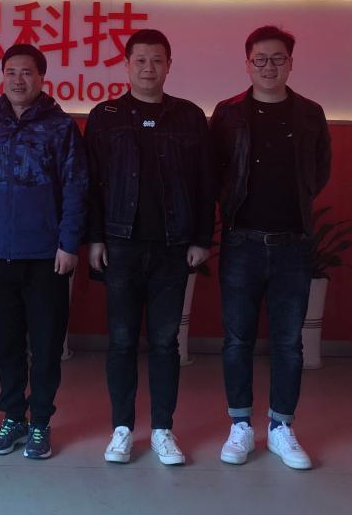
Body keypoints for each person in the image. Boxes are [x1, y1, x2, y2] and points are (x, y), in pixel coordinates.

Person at [85, 29, 213, 466]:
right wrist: (95, 237)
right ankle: (122, 428)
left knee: (164, 342)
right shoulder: (105, 116)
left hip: (173, 248)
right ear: (126, 65)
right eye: (140, 60)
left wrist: (201, 238)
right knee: (121, 341)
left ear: (169, 65)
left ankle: (162, 429)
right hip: (120, 246)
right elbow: (91, 183)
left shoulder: (189, 116)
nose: (148, 68)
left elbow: (205, 183)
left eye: (157, 60)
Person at [210, 25, 331, 471]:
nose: (268, 66)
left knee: (288, 342)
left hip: (292, 245)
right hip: (241, 241)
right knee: (237, 340)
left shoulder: (310, 113)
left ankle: (281, 427)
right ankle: (240, 425)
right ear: (247, 64)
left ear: (291, 63)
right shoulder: (228, 113)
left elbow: (320, 171)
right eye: (260, 59)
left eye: (278, 58)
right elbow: (214, 172)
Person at [0, 43, 88, 460]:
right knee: (3, 345)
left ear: (42, 78)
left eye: (26, 72)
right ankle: (13, 416)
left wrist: (68, 243)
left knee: (45, 346)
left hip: (47, 256)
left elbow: (76, 186)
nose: (18, 79)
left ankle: (41, 420)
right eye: (10, 71)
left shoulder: (61, 127)